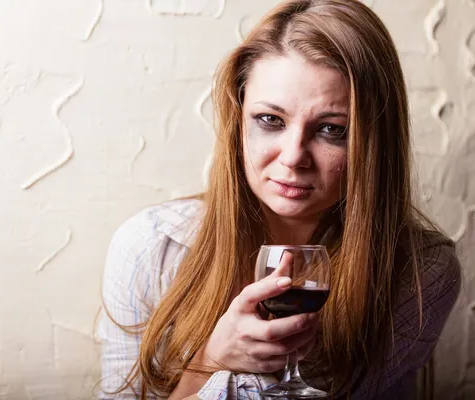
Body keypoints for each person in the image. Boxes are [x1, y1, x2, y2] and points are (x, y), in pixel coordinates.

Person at [97, 0, 462, 399]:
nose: (292, 157)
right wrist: (212, 361)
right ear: (238, 120)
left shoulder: (421, 273)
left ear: (373, 142)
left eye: (331, 129)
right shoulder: (152, 248)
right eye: (270, 120)